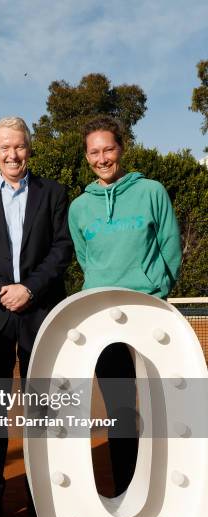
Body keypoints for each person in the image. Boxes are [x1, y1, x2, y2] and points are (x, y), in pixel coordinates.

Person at [0, 116, 73, 517]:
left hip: (40, 313)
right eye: (5, 148)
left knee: (43, 410)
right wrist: (4, 290)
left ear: (29, 148)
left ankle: (43, 498)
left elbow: (62, 249)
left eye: (19, 146)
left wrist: (30, 289)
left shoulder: (54, 193)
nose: (13, 154)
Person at [68, 115, 181, 496]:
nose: (102, 158)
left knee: (159, 404)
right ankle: (128, 488)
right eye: (94, 152)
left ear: (122, 148)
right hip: (102, 318)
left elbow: (170, 248)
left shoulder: (151, 191)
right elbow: (86, 259)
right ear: (87, 157)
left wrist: (156, 289)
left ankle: (166, 487)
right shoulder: (79, 208)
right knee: (121, 410)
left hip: (149, 315)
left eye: (108, 149)